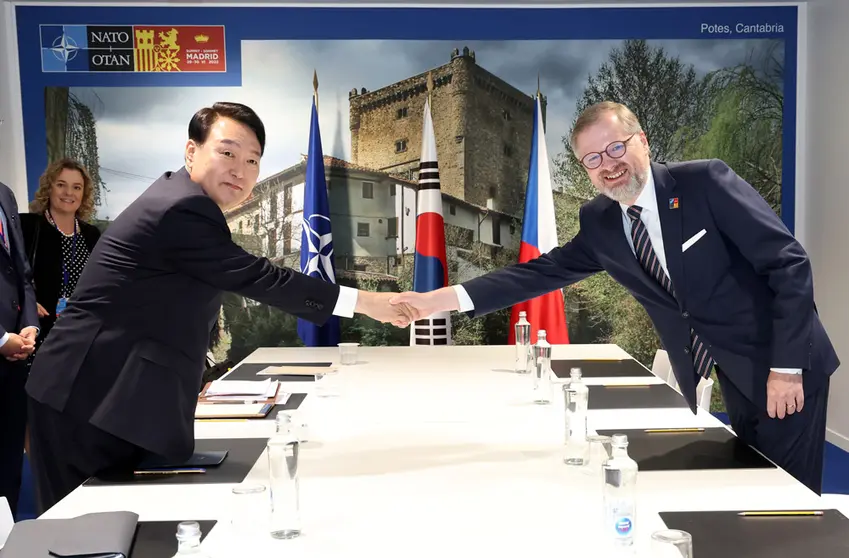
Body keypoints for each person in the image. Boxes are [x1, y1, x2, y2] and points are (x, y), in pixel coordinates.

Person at [391, 101, 839, 495]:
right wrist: (439, 301)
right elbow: (536, 275)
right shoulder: (601, 221)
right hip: (731, 370)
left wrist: (786, 368)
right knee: (755, 486)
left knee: (788, 499)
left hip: (785, 363)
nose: (608, 164)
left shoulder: (704, 182)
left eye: (616, 148)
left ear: (641, 141)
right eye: (592, 158)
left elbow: (787, 263)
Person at [25, 101, 413, 513]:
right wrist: (368, 302)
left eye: (252, 161)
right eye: (227, 153)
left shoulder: (181, 198)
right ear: (192, 151)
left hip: (109, 396)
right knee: (82, 534)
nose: (240, 170)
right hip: (86, 398)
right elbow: (261, 276)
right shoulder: (181, 208)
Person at [20, 158, 101, 347]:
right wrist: (25, 302)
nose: (69, 193)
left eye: (77, 187)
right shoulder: (28, 227)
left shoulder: (91, 235)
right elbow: (7, 275)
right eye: (61, 185)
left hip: (81, 334)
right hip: (36, 334)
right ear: (49, 188)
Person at [0, 180, 38, 519]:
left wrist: (29, 326)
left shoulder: (4, 194)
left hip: (14, 360)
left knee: (9, 465)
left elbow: (22, 271)